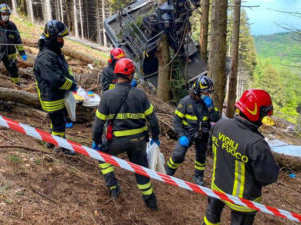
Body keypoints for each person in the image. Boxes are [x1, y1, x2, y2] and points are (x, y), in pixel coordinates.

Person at [202, 89, 279, 225]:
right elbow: (268, 177)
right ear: (258, 114)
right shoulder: (257, 144)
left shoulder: (220, 125)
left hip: (218, 186)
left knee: (210, 219)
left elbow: (210, 148)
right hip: (242, 200)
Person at [92, 58, 160, 210]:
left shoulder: (108, 96)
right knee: (141, 169)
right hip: (139, 142)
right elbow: (153, 121)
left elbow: (98, 125)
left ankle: (113, 188)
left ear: (116, 75)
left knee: (103, 157)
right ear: (130, 75)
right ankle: (151, 201)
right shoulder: (140, 95)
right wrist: (155, 138)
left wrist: (96, 141)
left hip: (116, 141)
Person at [165, 75, 220, 186]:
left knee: (201, 157)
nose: (207, 95)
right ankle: (168, 172)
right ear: (197, 91)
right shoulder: (185, 102)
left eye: (208, 93)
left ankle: (198, 177)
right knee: (178, 155)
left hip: (203, 132)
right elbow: (176, 120)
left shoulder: (208, 103)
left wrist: (210, 108)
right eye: (205, 92)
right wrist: (181, 135)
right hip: (187, 132)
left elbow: (216, 119)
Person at [33, 20, 77, 154]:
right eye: (59, 38)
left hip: (56, 96)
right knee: (59, 124)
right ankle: (62, 148)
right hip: (52, 98)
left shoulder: (54, 51)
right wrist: (72, 85)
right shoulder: (46, 57)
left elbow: (63, 70)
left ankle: (51, 141)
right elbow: (56, 80)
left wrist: (71, 80)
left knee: (56, 121)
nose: (62, 41)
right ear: (52, 37)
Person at [0, 4, 27, 85]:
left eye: (7, 14)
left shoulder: (12, 26)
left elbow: (18, 40)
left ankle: (16, 86)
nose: (5, 16)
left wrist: (22, 53)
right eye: (3, 14)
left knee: (14, 72)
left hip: (10, 54)